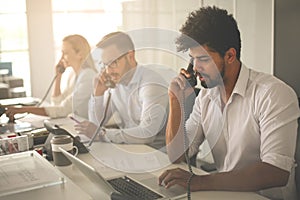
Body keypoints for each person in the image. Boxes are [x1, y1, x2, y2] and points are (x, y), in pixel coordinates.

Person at [158, 6, 300, 200]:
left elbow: (276, 172)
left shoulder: (273, 94)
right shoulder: (206, 98)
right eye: (192, 59)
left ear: (230, 56)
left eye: (203, 59)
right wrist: (175, 101)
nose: (196, 68)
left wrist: (197, 182)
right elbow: (177, 155)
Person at [74, 31, 171, 150]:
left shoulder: (151, 83)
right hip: (129, 148)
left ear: (130, 56)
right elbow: (97, 125)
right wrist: (97, 94)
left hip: (156, 153)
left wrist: (102, 134)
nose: (108, 71)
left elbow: (147, 134)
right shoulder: (116, 84)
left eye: (113, 63)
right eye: (104, 65)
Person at [5, 34, 97, 120]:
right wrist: (58, 76)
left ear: (80, 54)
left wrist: (24, 109)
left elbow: (63, 110)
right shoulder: (73, 75)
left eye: (65, 53)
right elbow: (57, 103)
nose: (62, 58)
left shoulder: (88, 77)